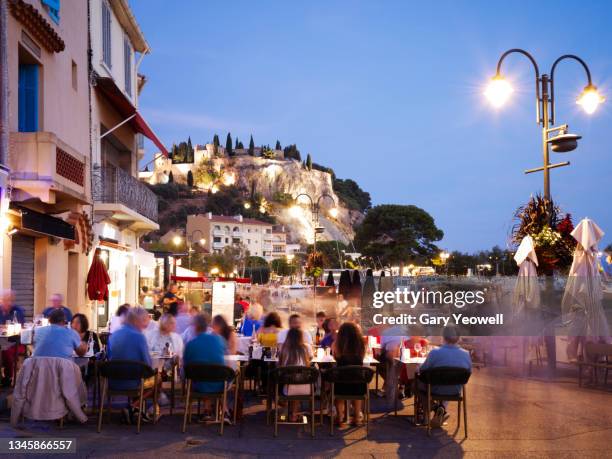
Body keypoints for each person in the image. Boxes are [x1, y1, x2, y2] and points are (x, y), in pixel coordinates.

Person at [108, 307, 157, 423]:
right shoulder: (139, 337)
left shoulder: (113, 335)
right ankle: (132, 407)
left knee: (140, 374)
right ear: (137, 321)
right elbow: (148, 364)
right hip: (133, 381)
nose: (146, 324)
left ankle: (134, 409)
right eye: (144, 320)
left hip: (113, 380)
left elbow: (109, 357)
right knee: (157, 379)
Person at [419, 326, 472, 428]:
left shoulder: (435, 352)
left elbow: (423, 369)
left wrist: (419, 368)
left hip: (435, 389)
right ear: (458, 338)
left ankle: (435, 407)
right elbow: (469, 372)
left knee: (416, 384)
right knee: (448, 381)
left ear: (443, 337)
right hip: (455, 391)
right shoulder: (466, 354)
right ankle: (441, 410)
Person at [183, 314, 230, 423]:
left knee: (201, 375)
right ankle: (223, 410)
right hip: (218, 383)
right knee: (221, 376)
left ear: (195, 327)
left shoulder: (190, 344)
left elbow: (185, 367)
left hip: (199, 385)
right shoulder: (219, 340)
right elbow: (224, 358)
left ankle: (207, 410)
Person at [332, 322, 366, 426]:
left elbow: (335, 357)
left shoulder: (337, 344)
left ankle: (340, 417)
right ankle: (356, 418)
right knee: (357, 392)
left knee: (338, 393)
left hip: (342, 380)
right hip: (358, 381)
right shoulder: (362, 344)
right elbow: (362, 358)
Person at [278, 328, 311, 422]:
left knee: (285, 379)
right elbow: (310, 361)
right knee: (298, 379)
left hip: (286, 387)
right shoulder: (306, 348)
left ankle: (284, 406)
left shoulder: (284, 348)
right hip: (305, 387)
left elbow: (280, 365)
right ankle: (293, 414)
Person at [0, 290, 25, 386]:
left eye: (10, 300)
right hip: (1, 340)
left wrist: (4, 326)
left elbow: (19, 326)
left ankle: (8, 377)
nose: (8, 302)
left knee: (6, 352)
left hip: (14, 341)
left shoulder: (17, 311)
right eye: (5, 300)